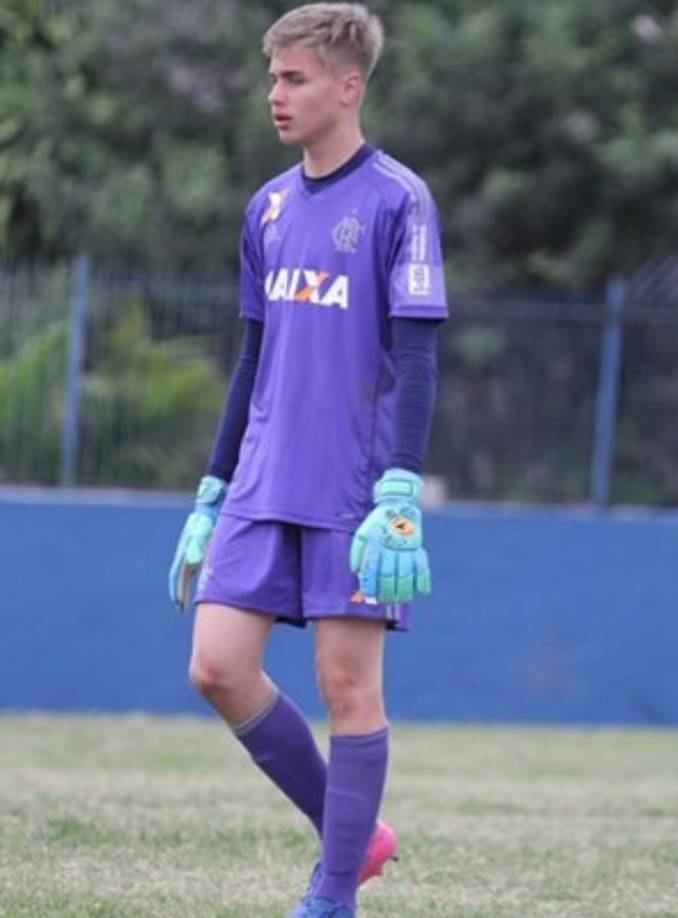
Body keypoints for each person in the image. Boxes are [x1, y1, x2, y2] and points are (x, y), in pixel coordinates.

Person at [168, 4, 448, 916]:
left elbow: (418, 355)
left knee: (346, 686)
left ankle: (334, 897)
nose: (275, 95)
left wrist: (400, 485)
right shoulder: (268, 206)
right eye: (273, 77)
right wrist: (212, 490)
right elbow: (251, 355)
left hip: (353, 490)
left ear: (347, 84)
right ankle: (355, 835)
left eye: (294, 79)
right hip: (260, 479)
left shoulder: (399, 200)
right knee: (216, 665)